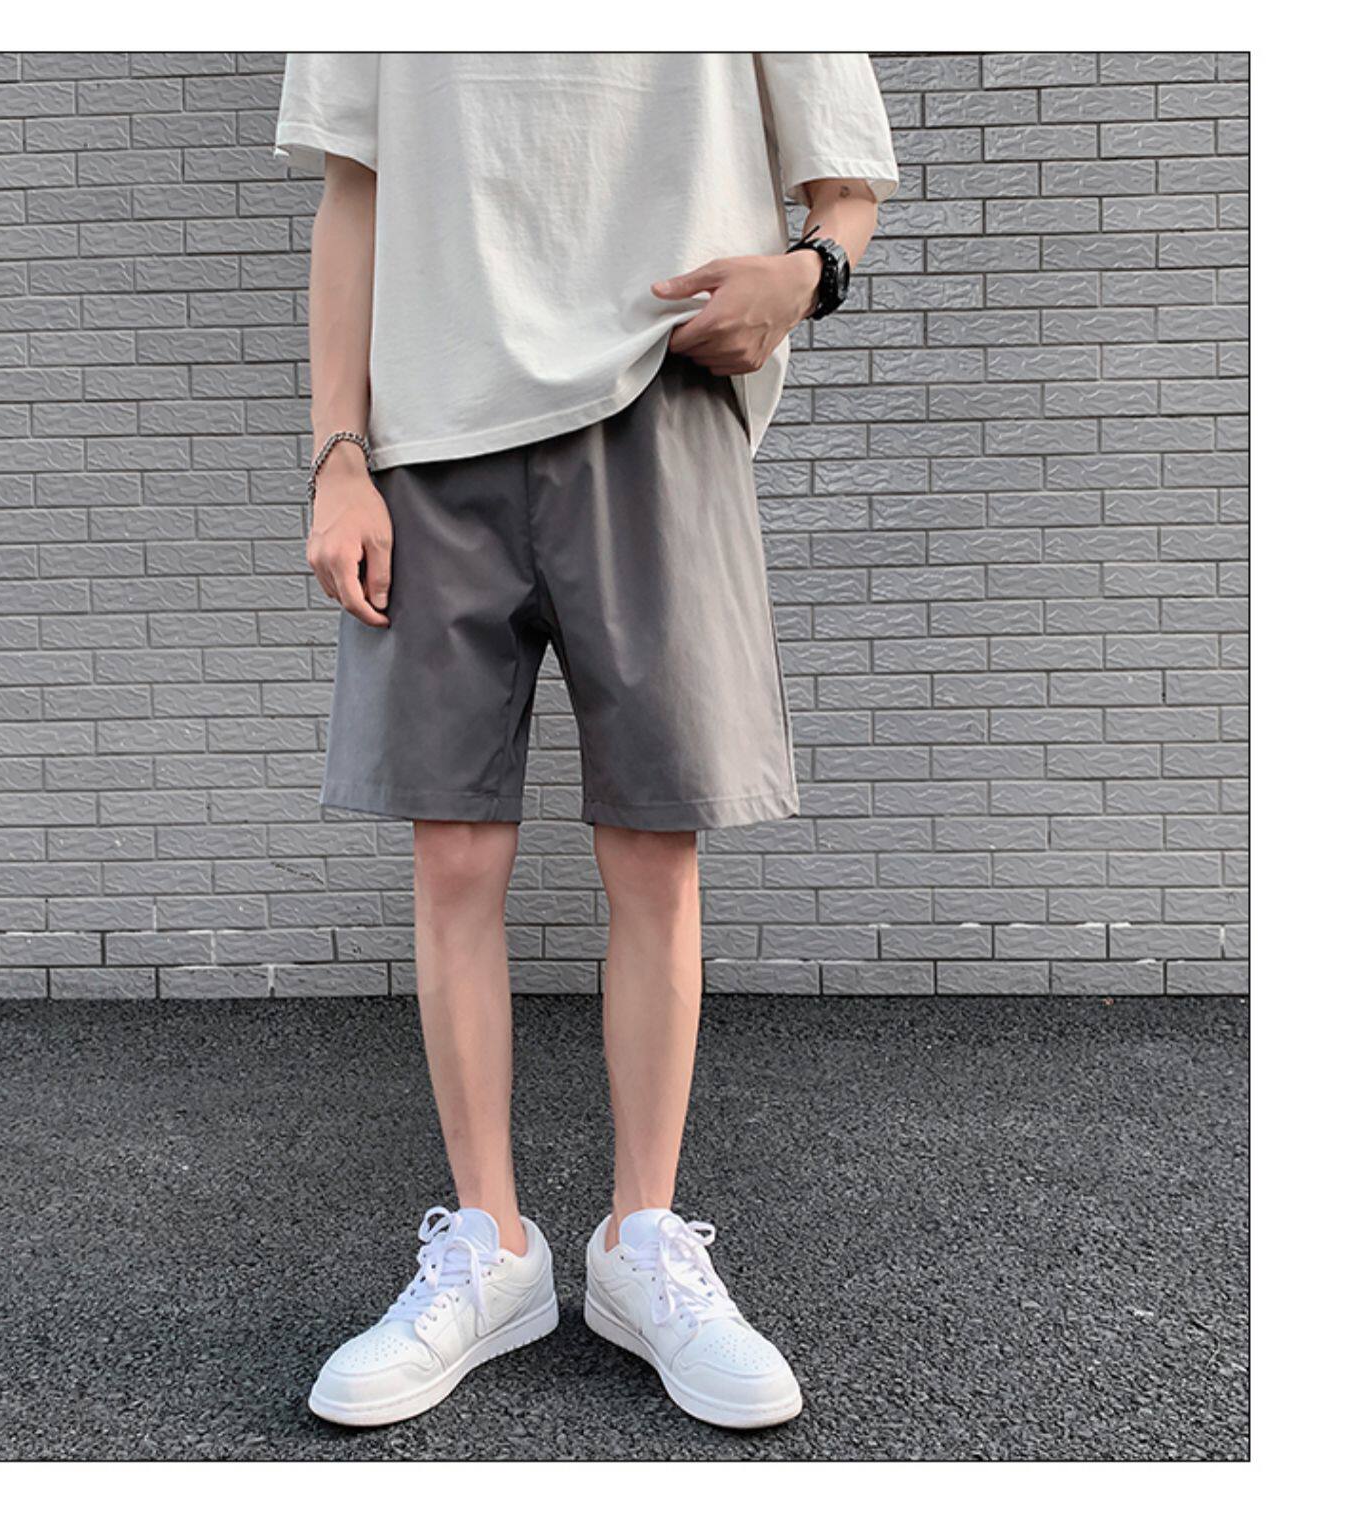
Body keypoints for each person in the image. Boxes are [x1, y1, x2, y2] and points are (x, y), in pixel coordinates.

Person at [274, 52, 897, 1431]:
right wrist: (337, 453)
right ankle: (491, 1247)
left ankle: (641, 1241)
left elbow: (846, 187)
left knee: (656, 851)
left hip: (658, 400)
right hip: (429, 430)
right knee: (452, 854)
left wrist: (808, 276)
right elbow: (354, 190)